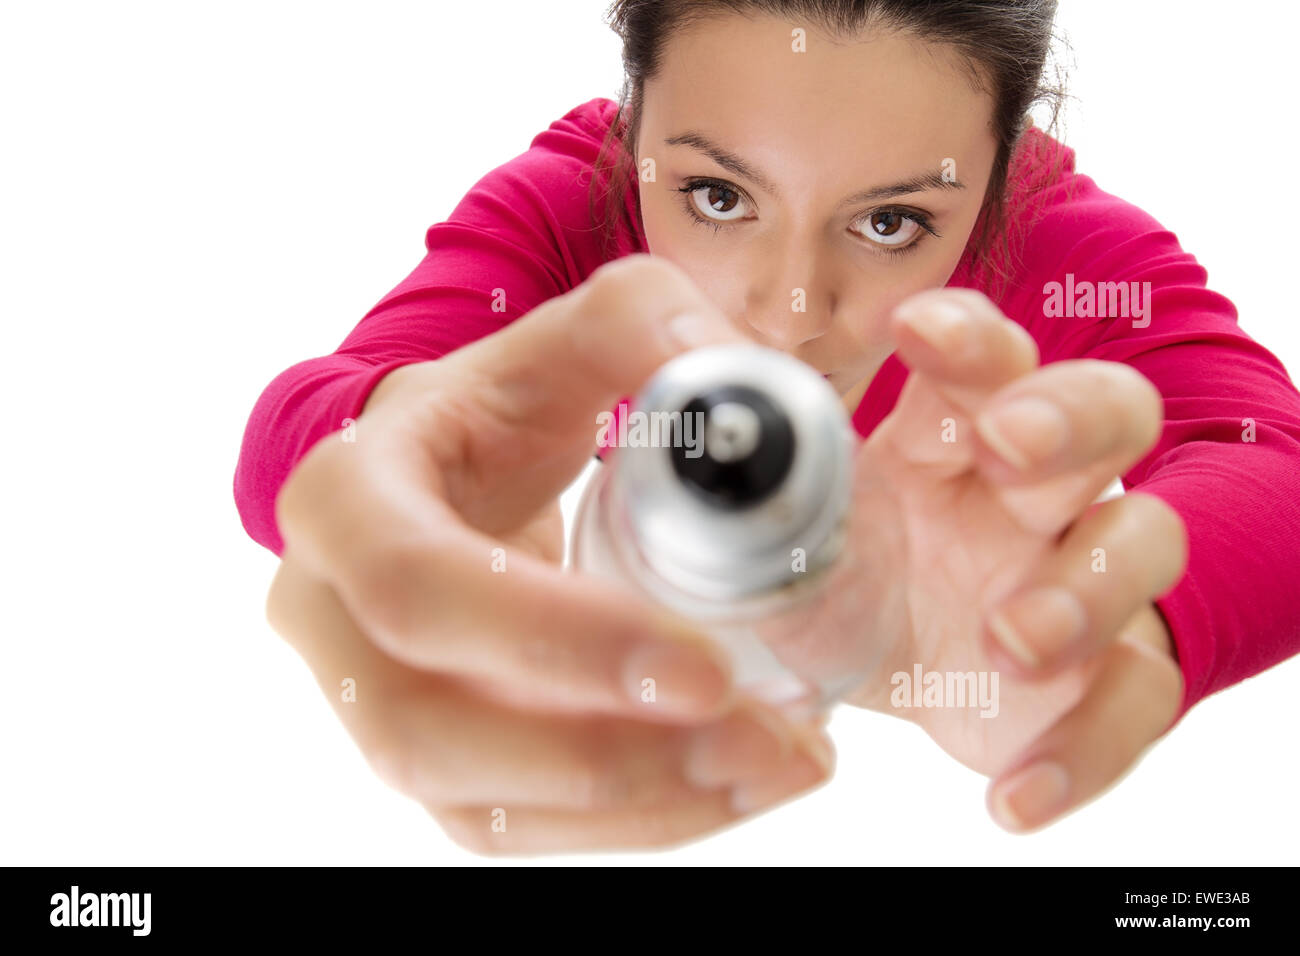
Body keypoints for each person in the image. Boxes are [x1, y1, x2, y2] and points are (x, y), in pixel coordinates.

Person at [233, 1, 1300, 854]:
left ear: (999, 165)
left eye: (891, 222)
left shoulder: (1054, 247)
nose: (789, 310)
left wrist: (1114, 617)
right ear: (632, 119)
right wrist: (397, 460)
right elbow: (324, 410)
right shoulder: (570, 209)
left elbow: (1274, 463)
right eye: (714, 195)